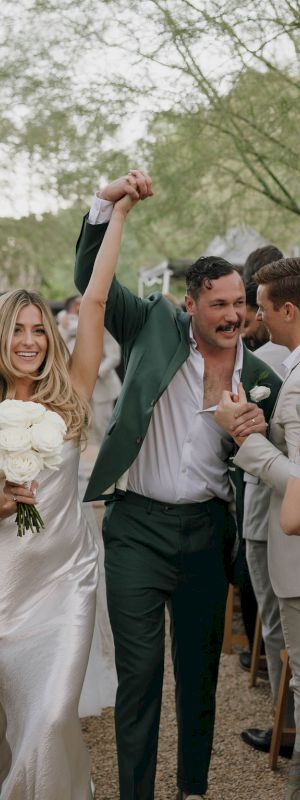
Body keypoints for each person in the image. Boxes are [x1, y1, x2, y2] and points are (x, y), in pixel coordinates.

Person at [75, 186, 281, 800]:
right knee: (140, 678)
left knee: (198, 678)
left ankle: (193, 789)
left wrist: (253, 436)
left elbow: (267, 466)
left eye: (239, 304)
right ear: (190, 304)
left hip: (206, 535)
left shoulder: (262, 378)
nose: (230, 316)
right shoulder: (153, 327)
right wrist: (108, 209)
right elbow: (93, 283)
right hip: (136, 528)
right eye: (217, 304)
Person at [0, 175, 149, 800]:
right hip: (5, 581)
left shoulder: (71, 398)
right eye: (19, 330)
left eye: (39, 330)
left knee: (57, 710)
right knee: (17, 720)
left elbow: (93, 302)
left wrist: (117, 212)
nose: (32, 341)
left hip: (67, 577)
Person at [214, 258, 300, 800]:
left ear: (287, 309)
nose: (256, 321)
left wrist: (246, 442)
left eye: (263, 310)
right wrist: (266, 427)